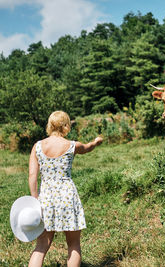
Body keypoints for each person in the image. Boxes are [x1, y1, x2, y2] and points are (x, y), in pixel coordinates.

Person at [28, 111, 103, 267]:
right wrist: (96, 142)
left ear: (49, 125)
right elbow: (88, 147)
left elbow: (32, 176)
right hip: (67, 196)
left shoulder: (37, 146)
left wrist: (35, 200)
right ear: (66, 125)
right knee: (73, 244)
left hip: (46, 198)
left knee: (41, 245)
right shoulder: (72, 145)